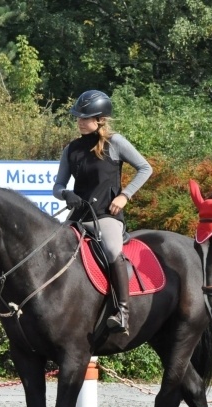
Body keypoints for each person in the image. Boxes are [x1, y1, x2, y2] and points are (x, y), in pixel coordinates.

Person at [53, 90, 152, 335]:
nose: (79, 121)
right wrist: (66, 194)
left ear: (100, 119)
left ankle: (123, 312)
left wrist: (124, 195)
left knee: (111, 250)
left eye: (85, 118)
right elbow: (57, 186)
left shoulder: (115, 143)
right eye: (78, 117)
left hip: (106, 216)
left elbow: (145, 168)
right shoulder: (71, 149)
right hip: (78, 217)